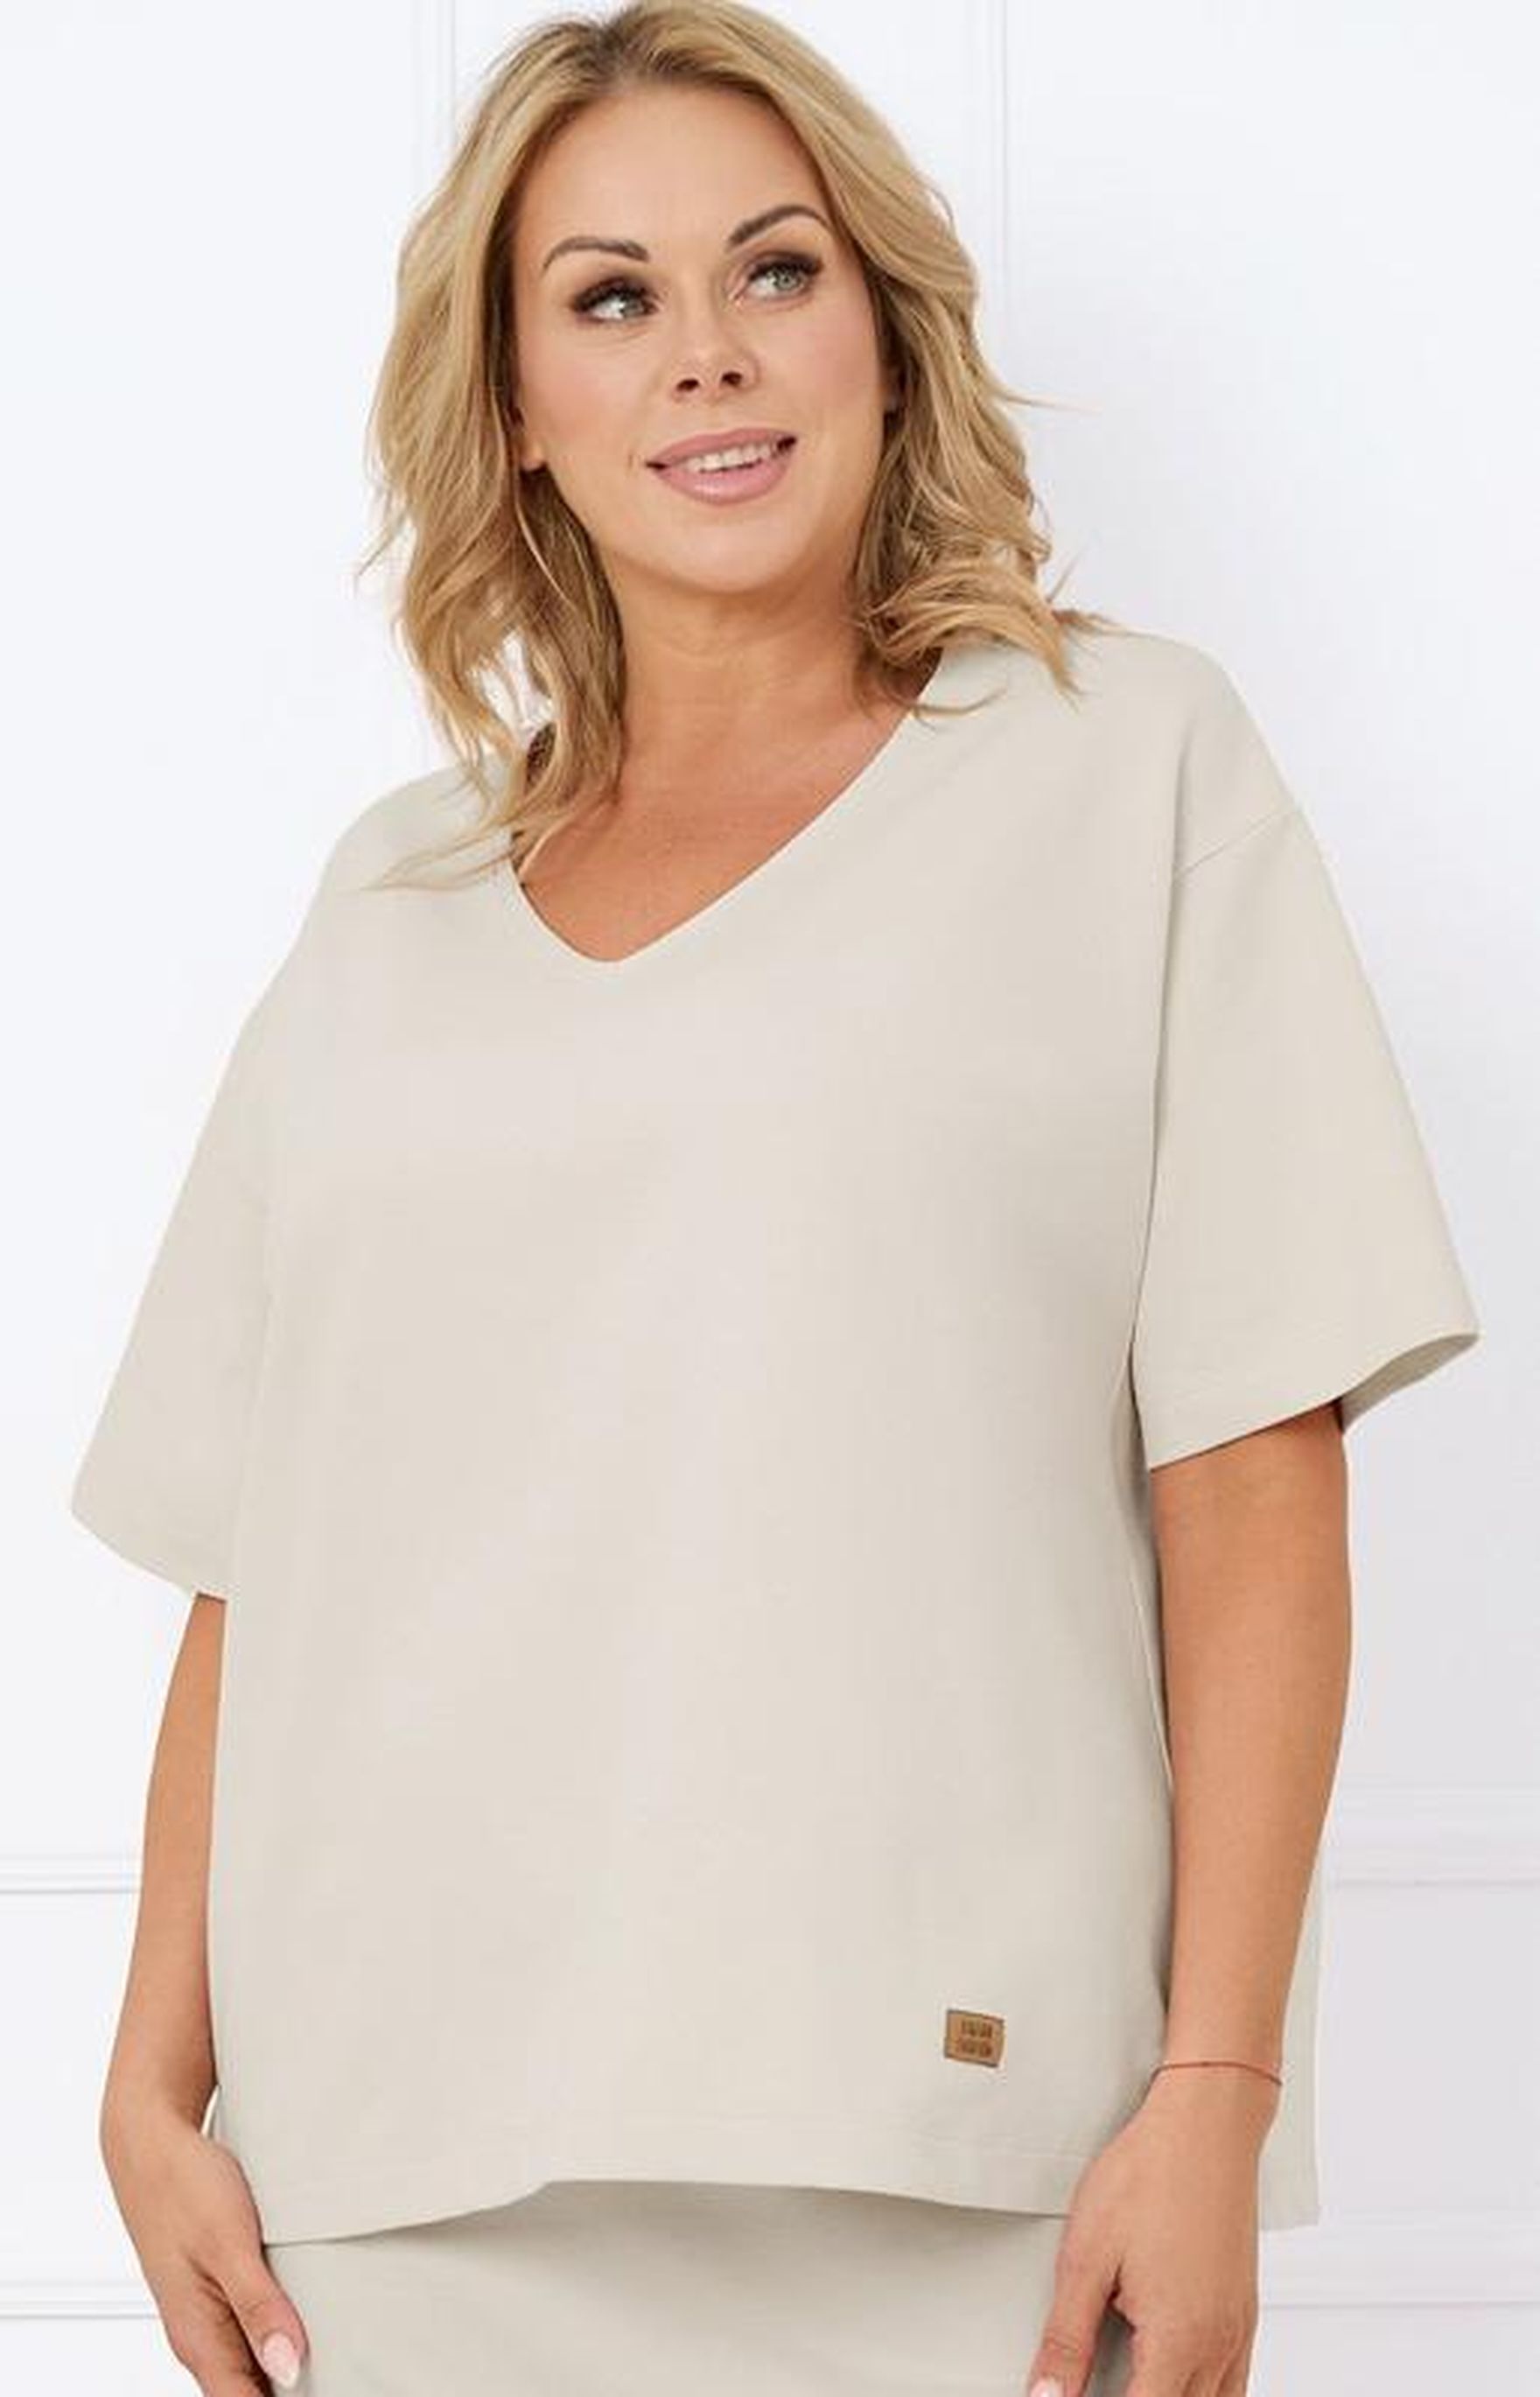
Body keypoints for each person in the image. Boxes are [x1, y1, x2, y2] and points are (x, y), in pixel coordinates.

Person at [70, 5, 1481, 2394]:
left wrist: (1219, 2086)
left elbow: (1254, 1465)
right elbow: (261, 1553)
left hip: (965, 2161)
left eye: (775, 269)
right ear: (519, 401)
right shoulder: (390, 901)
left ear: (883, 326)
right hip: (396, 2178)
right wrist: (143, 2076)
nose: (705, 354)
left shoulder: (1123, 765)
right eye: (612, 296)